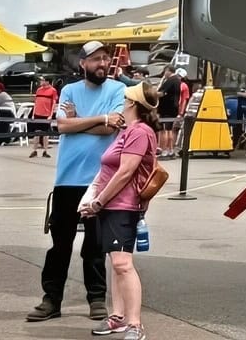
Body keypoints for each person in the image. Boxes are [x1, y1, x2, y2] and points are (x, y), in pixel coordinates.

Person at [30, 41, 127, 323]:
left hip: (100, 180)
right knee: (60, 243)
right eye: (96, 59)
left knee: (95, 245)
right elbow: (62, 126)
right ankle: (51, 299)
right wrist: (99, 119)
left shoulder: (117, 89)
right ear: (82, 63)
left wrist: (80, 122)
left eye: (105, 59)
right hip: (67, 179)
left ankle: (96, 299)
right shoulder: (70, 91)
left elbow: (113, 125)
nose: (102, 64)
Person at [81, 80, 161, 340]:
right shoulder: (129, 130)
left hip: (121, 205)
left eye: (125, 97)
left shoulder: (139, 131)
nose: (122, 100)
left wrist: (99, 201)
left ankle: (134, 324)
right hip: (112, 204)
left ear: (131, 103)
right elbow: (110, 169)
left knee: (122, 263)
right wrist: (94, 198)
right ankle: (118, 316)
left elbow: (125, 171)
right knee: (116, 263)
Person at [156, 64, 183, 159]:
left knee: (164, 130)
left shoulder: (170, 80)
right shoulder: (178, 80)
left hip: (166, 107)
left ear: (168, 70)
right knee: (170, 129)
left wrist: (153, 95)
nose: (164, 74)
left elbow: (161, 93)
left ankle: (164, 150)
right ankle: (171, 149)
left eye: (165, 71)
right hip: (174, 107)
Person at [31, 77, 58, 158]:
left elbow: (53, 103)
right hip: (37, 113)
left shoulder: (53, 90)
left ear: (47, 81)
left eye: (42, 80)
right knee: (36, 133)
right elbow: (36, 102)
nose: (41, 81)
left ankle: (45, 151)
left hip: (46, 114)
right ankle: (34, 150)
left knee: (45, 134)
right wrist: (33, 113)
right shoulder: (39, 90)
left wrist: (51, 114)